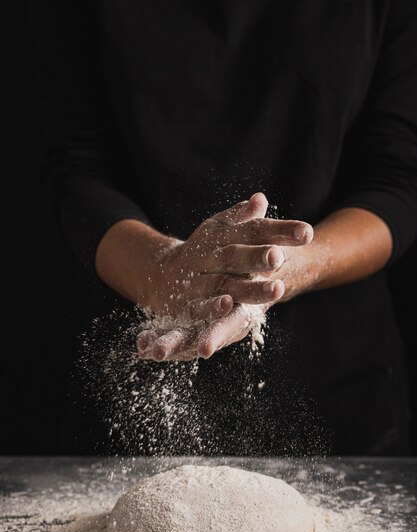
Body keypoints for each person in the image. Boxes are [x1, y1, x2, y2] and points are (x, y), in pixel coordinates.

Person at [31, 1, 417, 455]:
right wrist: (160, 271)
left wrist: (294, 266)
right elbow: (74, 170)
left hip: (337, 388)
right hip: (139, 371)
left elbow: (398, 178)